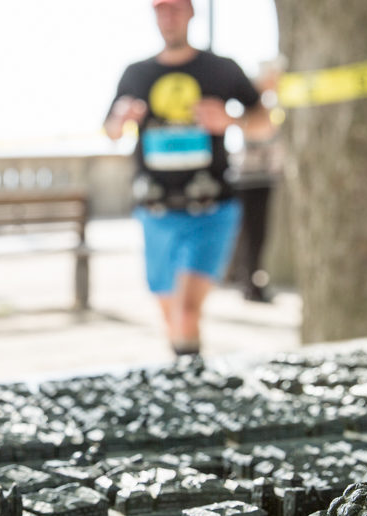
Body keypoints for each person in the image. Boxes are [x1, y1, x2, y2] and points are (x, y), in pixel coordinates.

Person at [106, 0, 274, 357]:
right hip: (156, 213)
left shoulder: (221, 69)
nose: (168, 16)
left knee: (185, 312)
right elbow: (110, 130)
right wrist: (120, 119)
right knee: (172, 319)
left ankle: (191, 391)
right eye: (161, 9)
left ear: (191, 12)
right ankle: (187, 381)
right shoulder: (135, 74)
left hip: (210, 211)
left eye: (176, 8)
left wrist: (231, 121)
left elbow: (264, 121)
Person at [227, 60, 284, 304]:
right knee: (252, 233)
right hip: (251, 178)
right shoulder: (256, 105)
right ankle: (249, 283)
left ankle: (249, 280)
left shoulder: (267, 104)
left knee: (255, 234)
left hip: (261, 177)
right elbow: (260, 133)